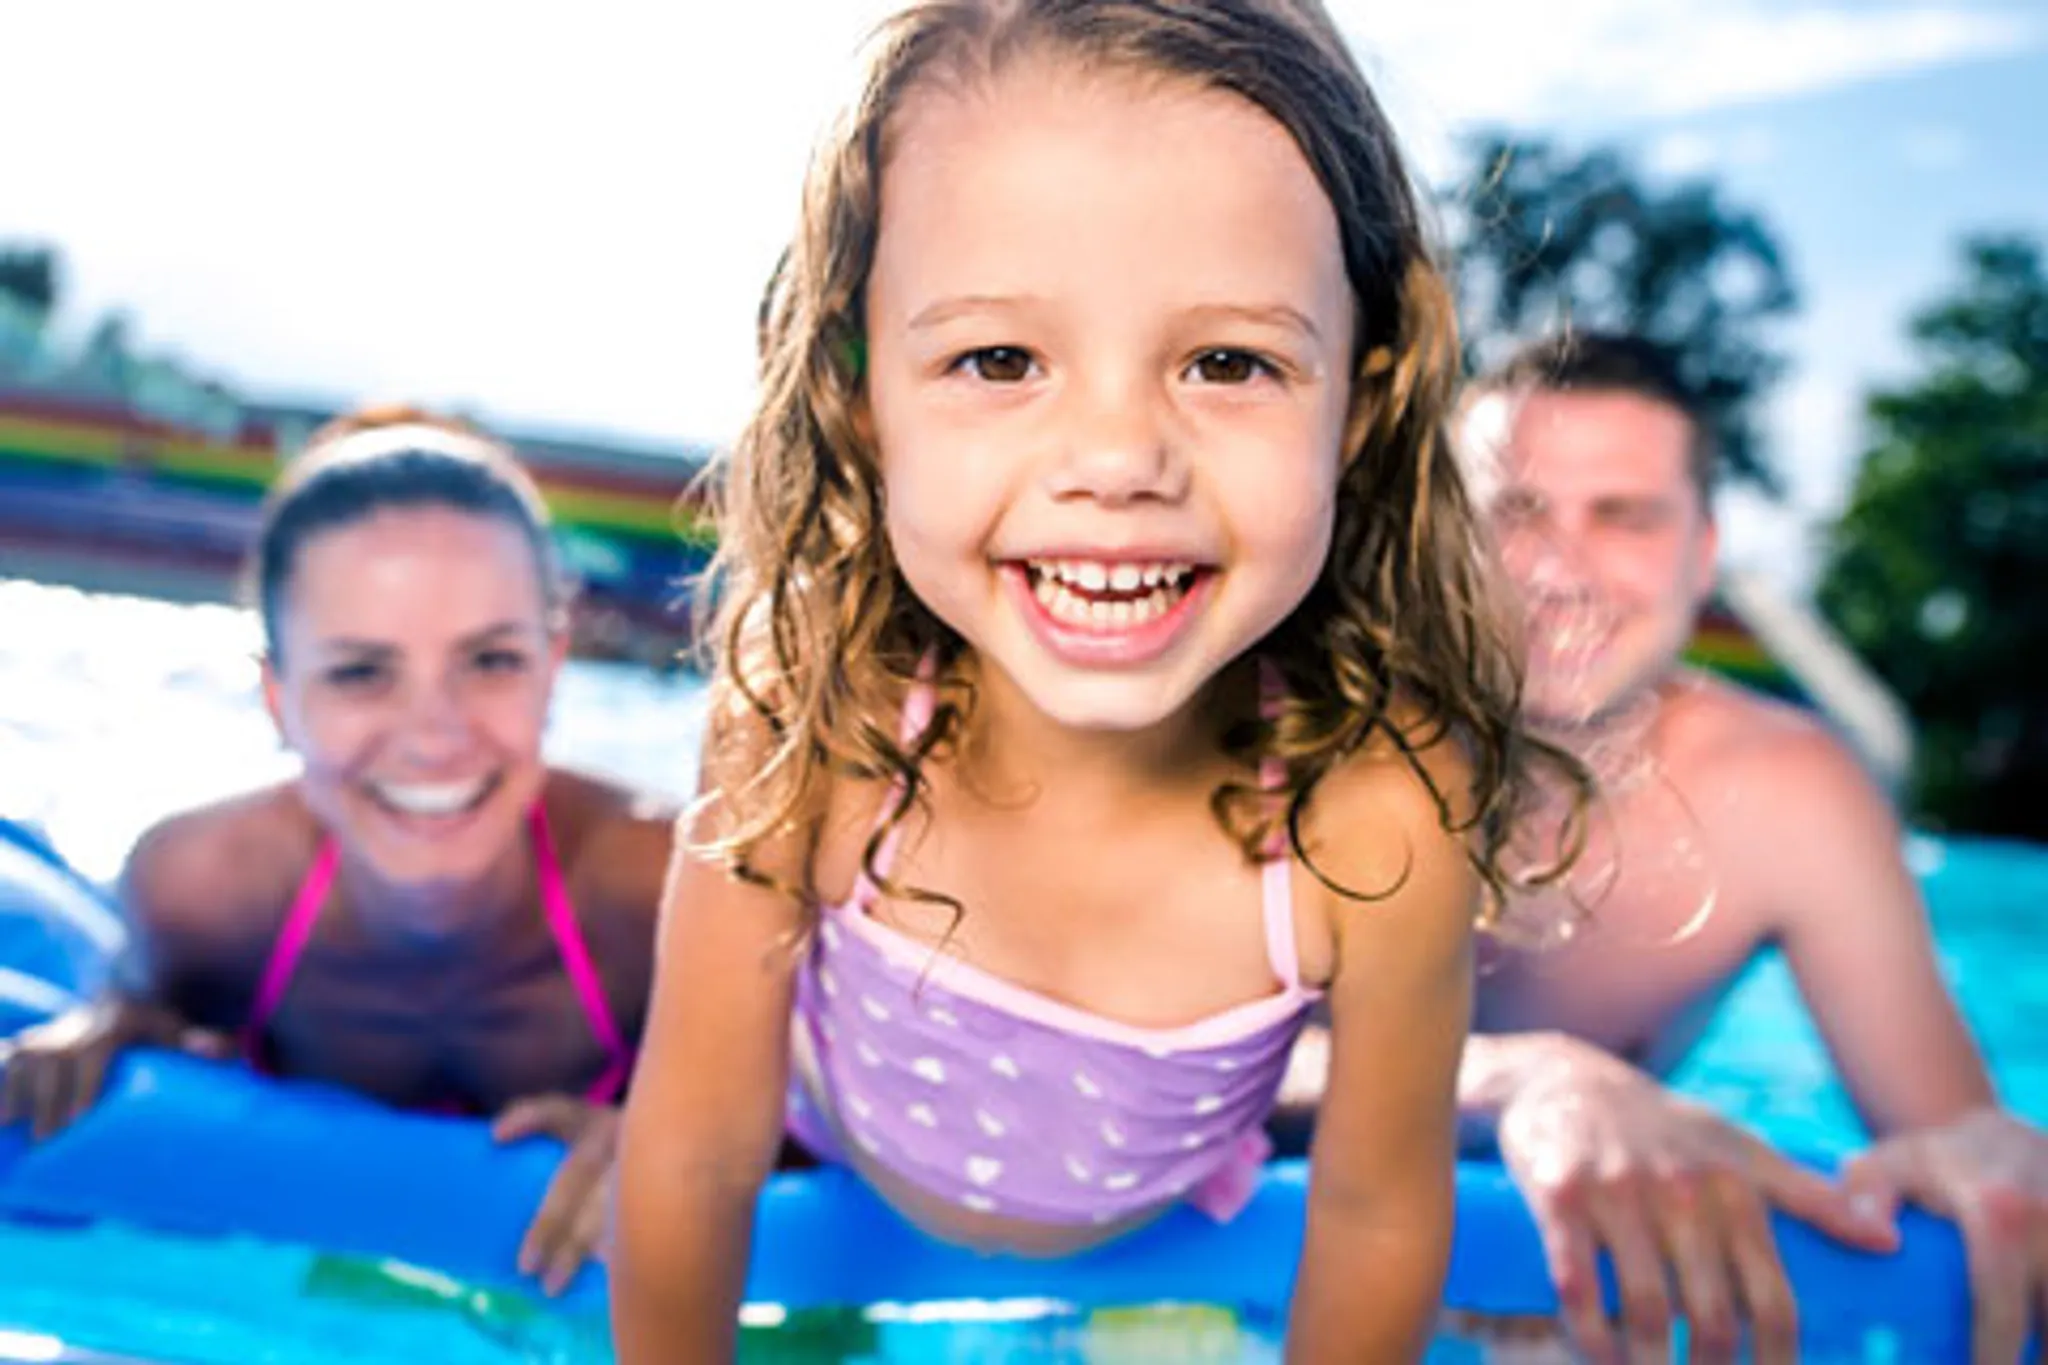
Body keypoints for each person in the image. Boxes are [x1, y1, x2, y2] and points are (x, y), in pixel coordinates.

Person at [609, 2, 1593, 1360]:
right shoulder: (814, 714)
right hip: (809, 1178)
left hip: (1160, 1261)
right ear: (857, 394)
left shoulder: (1378, 807)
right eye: (1000, 359)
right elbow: (697, 1148)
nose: (1120, 458)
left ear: (1356, 412)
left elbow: (1372, 1213)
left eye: (1229, 362)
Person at [1441, 332, 2046, 1365]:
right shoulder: (1323, 741)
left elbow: (1949, 1147)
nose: (1555, 569)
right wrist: (1519, 1076)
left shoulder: (1786, 793)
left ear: (1703, 552)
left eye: (1622, 516)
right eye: (1515, 512)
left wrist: (1993, 1152)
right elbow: (1128, 1060)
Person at [0, 407, 676, 1295]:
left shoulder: (665, 889)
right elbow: (154, 1029)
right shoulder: (200, 890)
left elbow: (825, 1127)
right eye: (361, 672)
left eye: (492, 661)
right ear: (279, 698)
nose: (434, 736)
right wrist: (116, 1031)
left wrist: (695, 1141)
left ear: (553, 665)